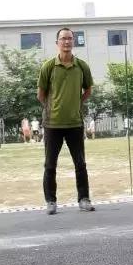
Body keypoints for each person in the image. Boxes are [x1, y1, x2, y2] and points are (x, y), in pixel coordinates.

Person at [37, 28, 96, 214]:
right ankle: (51, 202)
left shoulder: (82, 66)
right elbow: (41, 94)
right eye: (63, 39)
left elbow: (88, 90)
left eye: (70, 38)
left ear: (74, 42)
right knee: (50, 165)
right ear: (57, 43)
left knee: (80, 163)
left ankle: (84, 199)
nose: (67, 42)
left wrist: (76, 104)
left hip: (75, 123)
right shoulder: (48, 66)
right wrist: (53, 107)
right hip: (52, 124)